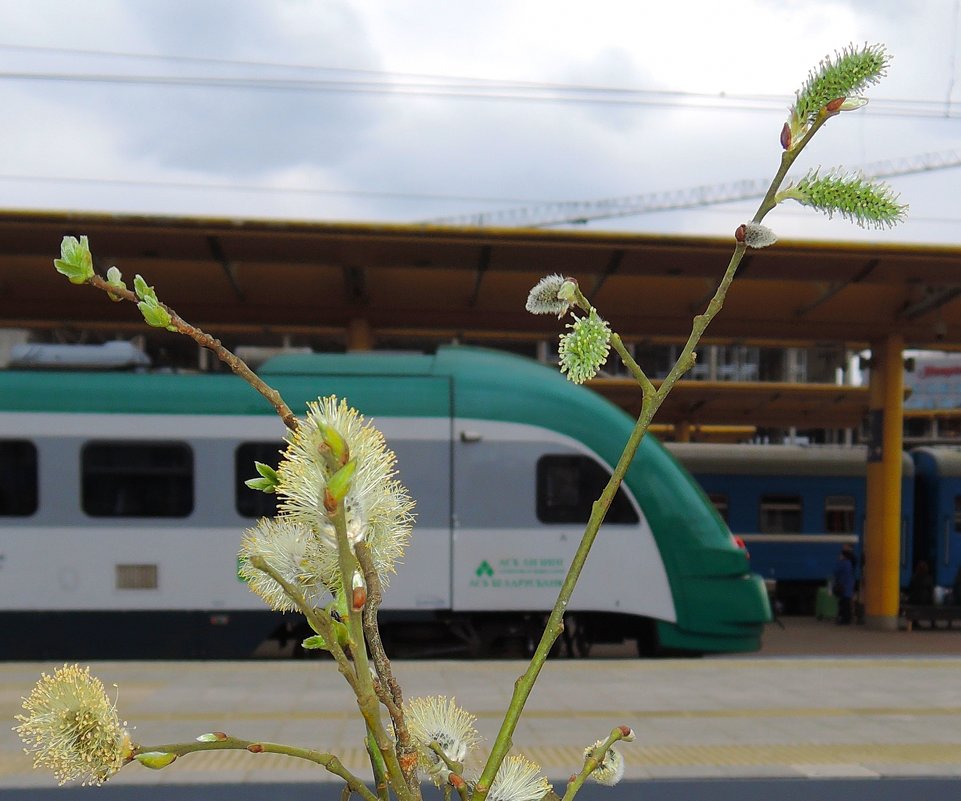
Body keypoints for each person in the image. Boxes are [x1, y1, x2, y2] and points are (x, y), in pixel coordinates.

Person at [832, 546, 855, 625]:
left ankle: (844, 620)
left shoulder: (843, 563)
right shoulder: (849, 563)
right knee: (847, 604)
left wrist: (837, 583)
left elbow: (836, 573)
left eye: (840, 555)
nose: (839, 556)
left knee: (843, 604)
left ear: (843, 556)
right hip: (848, 586)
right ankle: (847, 619)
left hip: (843, 587)